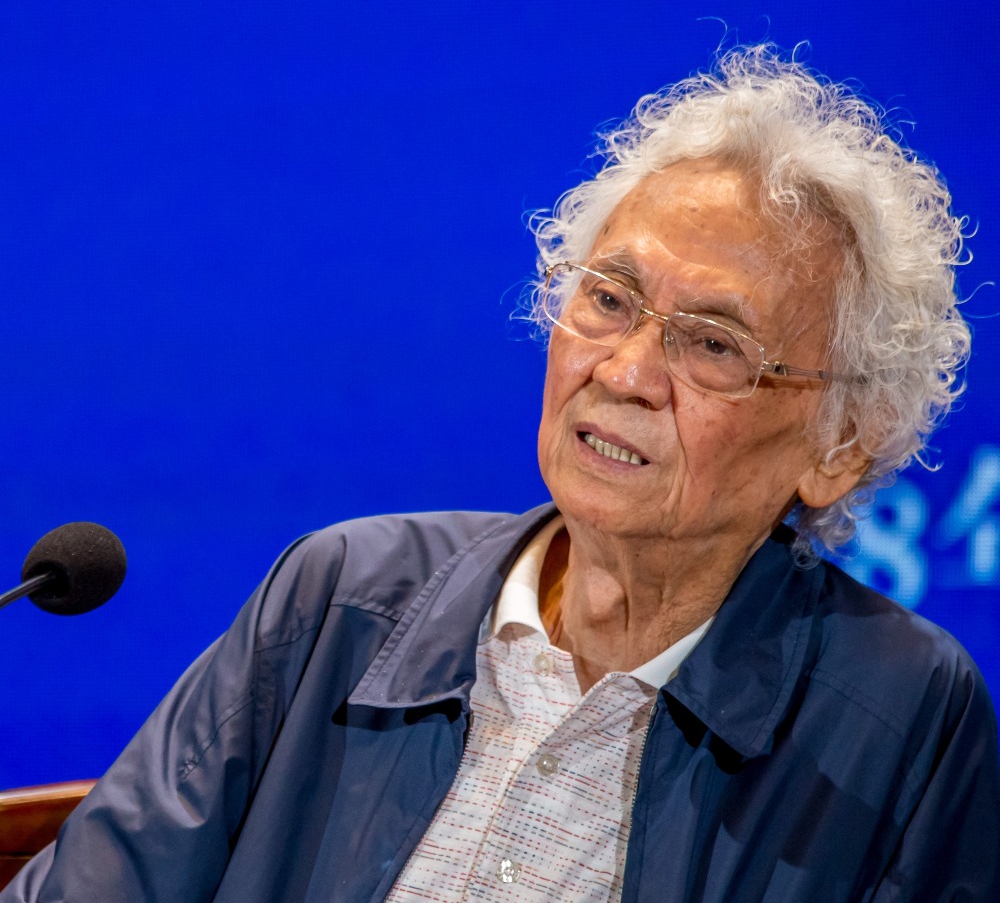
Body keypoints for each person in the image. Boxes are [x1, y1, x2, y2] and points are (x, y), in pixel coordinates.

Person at [5, 45, 998, 902]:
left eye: (712, 344)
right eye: (608, 298)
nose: (625, 372)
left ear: (840, 446)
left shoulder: (900, 715)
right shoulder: (341, 600)